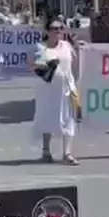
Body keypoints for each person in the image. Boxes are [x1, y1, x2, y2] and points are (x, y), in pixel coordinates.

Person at [32, 19, 79, 165]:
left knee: (69, 119)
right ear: (47, 31)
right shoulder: (41, 48)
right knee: (48, 118)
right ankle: (46, 151)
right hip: (48, 91)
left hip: (67, 89)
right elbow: (34, 66)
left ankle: (67, 153)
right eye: (54, 28)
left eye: (60, 28)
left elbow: (76, 62)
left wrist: (80, 48)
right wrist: (46, 65)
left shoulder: (67, 46)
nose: (58, 31)